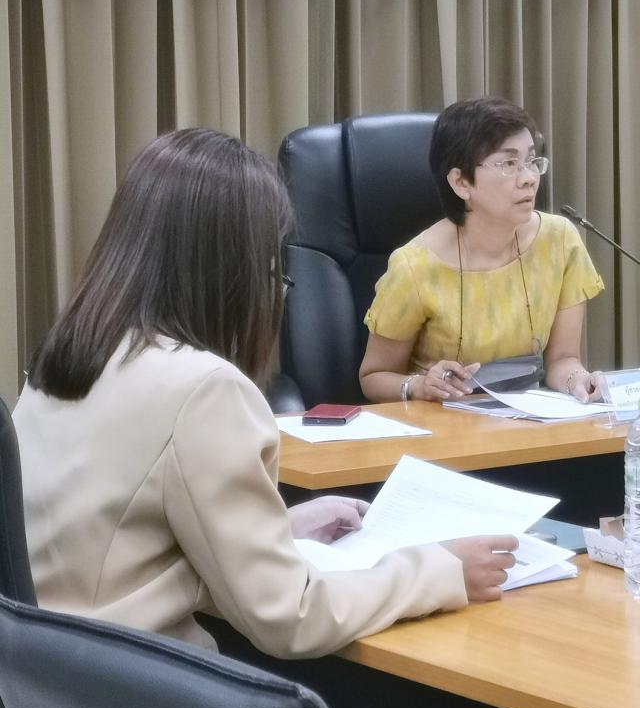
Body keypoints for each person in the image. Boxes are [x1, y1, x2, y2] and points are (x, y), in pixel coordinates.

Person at [13, 128, 517, 660]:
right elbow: (292, 617)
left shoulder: (74, 354)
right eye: (271, 268)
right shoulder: (204, 389)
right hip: (133, 681)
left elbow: (114, 549)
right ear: (230, 271)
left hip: (47, 672)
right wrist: (440, 569)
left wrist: (279, 532)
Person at [359, 96, 605, 404]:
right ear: (461, 182)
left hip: (527, 421)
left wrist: (577, 380)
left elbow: (563, 359)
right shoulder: (415, 266)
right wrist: (420, 386)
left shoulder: (559, 242)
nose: (529, 178)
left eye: (531, 161)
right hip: (443, 423)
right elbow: (373, 377)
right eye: (509, 164)